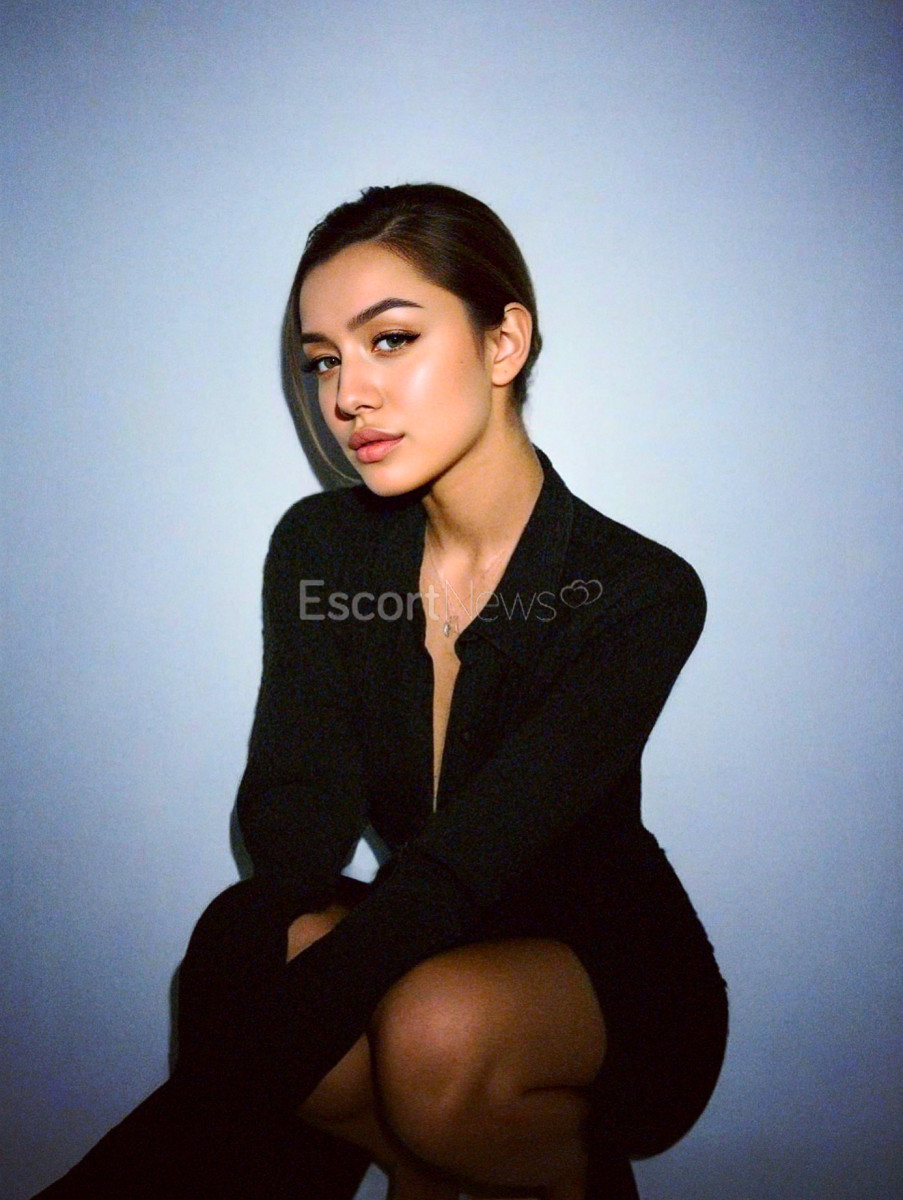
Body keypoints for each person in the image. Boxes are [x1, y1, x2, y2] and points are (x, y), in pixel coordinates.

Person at [34, 184, 727, 1200]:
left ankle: (558, 1172)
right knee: (247, 942)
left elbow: (466, 864)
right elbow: (296, 820)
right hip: (427, 926)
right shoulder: (322, 548)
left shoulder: (636, 591)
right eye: (321, 360)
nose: (345, 395)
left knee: (428, 1036)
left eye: (390, 340)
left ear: (503, 343)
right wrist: (250, 972)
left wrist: (226, 1085)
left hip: (606, 964)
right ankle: (448, 1169)